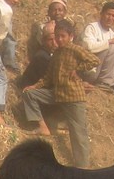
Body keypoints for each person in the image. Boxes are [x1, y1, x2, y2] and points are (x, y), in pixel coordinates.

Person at [18, 19, 97, 164]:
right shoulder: (57, 53)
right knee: (29, 94)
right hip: (57, 94)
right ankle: (42, 127)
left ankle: (82, 166)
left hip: (73, 97)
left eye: (63, 36)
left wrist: (77, 70)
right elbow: (48, 76)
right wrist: (35, 86)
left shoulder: (75, 49)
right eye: (57, 36)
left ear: (70, 36)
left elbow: (94, 60)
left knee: (78, 133)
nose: (59, 39)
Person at [80, 1, 114, 89]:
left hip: (101, 71)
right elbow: (89, 47)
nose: (110, 18)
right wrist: (110, 42)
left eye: (113, 16)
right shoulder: (92, 28)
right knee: (113, 48)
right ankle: (104, 81)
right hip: (89, 68)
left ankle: (108, 84)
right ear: (101, 14)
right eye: (108, 14)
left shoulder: (111, 33)